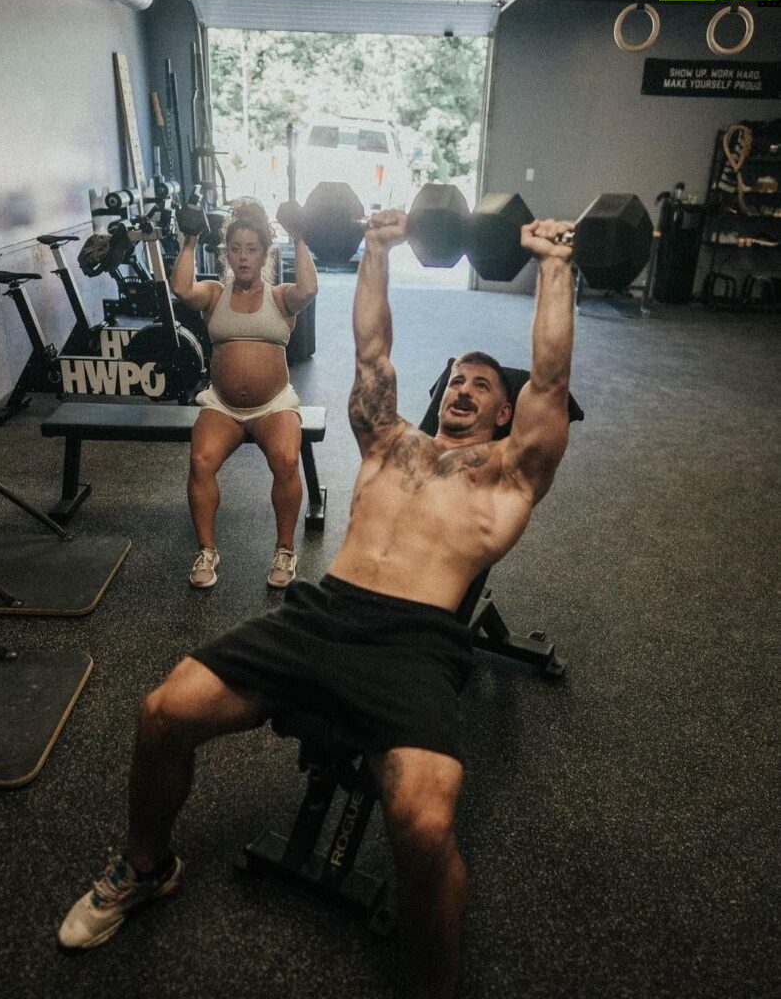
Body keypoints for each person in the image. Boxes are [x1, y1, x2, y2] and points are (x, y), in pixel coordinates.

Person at [58, 211, 575, 999]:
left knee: (425, 825)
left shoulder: (509, 474)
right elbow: (372, 348)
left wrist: (552, 266)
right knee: (164, 711)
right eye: (459, 379)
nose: (465, 390)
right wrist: (373, 250)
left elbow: (551, 380)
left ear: (506, 413)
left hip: (416, 644)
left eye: (484, 385)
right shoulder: (391, 440)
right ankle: (145, 867)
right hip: (321, 613)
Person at [170, 198, 318, 589]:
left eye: (251, 250)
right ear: (227, 254)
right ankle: (206, 550)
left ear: (264, 254)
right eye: (235, 250)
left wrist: (299, 237)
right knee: (200, 460)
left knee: (287, 458)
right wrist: (190, 239)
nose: (243, 257)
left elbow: (309, 288)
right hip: (222, 405)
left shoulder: (281, 296)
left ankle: (284, 550)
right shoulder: (216, 294)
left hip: (274, 405)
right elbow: (182, 289)